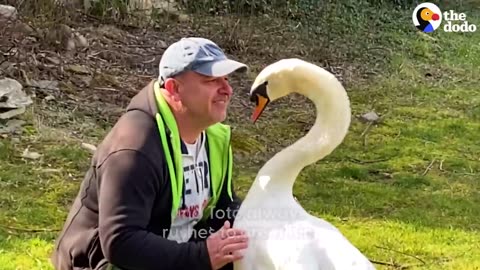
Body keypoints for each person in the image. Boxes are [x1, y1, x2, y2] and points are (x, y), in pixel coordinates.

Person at [51, 37, 250, 270]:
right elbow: (121, 242)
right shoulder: (134, 147)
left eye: (226, 79)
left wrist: (262, 226)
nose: (227, 89)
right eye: (211, 80)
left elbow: (223, 209)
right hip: (104, 262)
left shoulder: (214, 137)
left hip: (172, 250)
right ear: (174, 89)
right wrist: (201, 256)